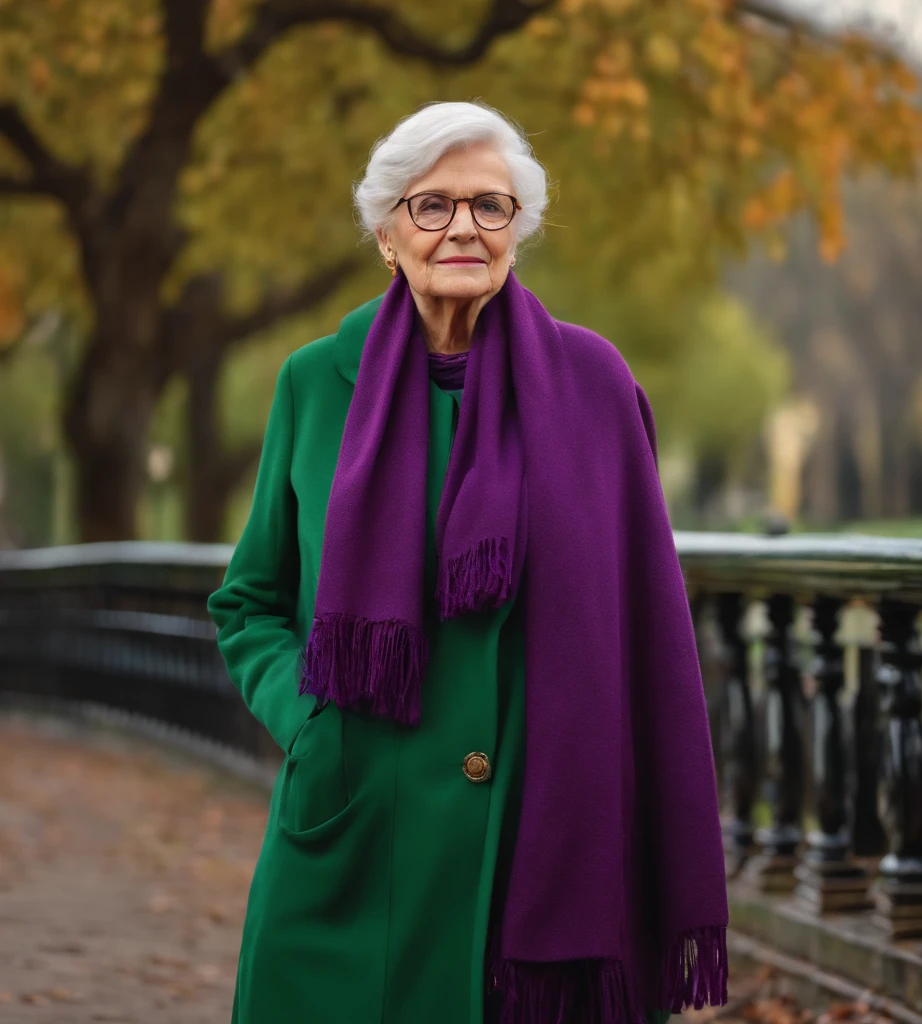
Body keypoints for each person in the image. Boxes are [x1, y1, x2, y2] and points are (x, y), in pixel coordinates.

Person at [208, 100, 728, 1024]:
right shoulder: (311, 383)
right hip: (350, 835)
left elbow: (647, 614)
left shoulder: (595, 385)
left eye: (491, 207)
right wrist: (309, 720)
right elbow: (249, 600)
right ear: (386, 233)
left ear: (518, 231)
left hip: (536, 843)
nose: (462, 229)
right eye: (432, 206)